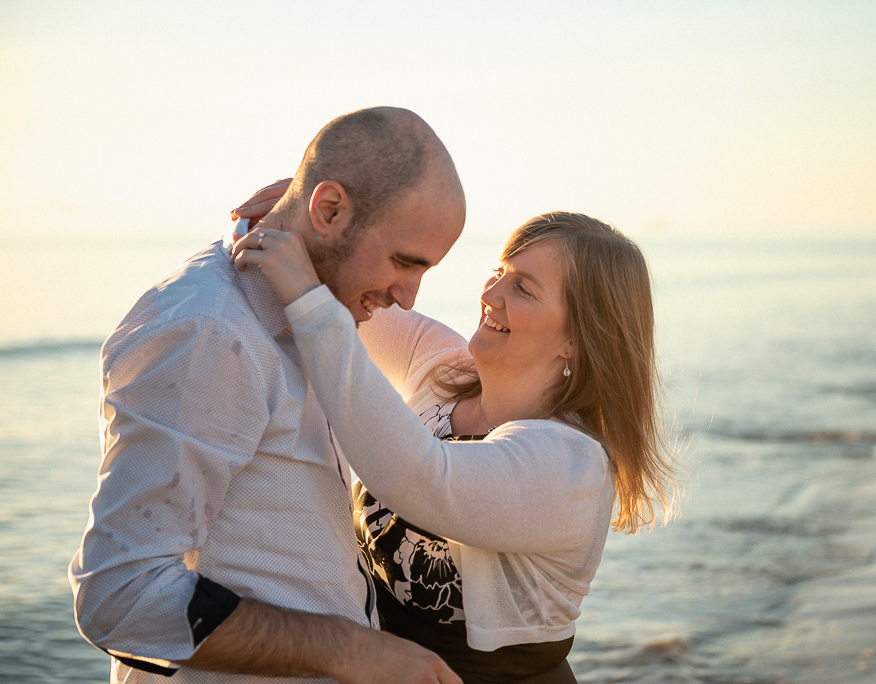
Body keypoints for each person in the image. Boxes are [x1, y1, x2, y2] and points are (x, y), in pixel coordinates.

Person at [68, 107, 467, 684]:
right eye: (404, 262)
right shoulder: (210, 333)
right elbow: (120, 596)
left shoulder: (316, 309)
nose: (408, 297)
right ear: (328, 210)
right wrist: (352, 651)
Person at [228, 210, 676, 682]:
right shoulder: (444, 374)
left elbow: (419, 477)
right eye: (499, 273)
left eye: (522, 288)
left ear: (576, 339)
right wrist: (311, 213)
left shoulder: (571, 467)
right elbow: (350, 297)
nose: (490, 295)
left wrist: (308, 299)